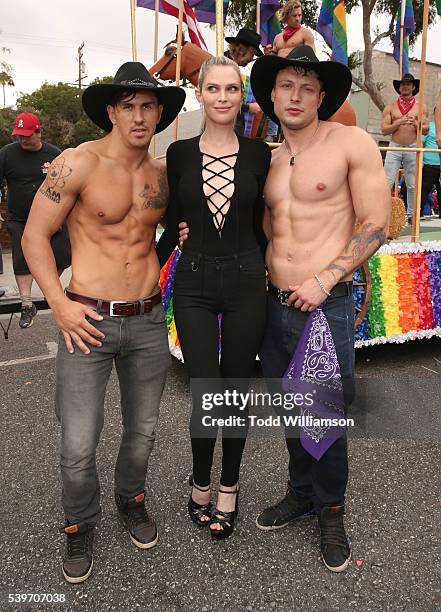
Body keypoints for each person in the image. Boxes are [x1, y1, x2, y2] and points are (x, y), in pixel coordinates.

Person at [22, 62, 185, 583]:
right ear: (112, 112)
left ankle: (130, 499)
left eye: (148, 106)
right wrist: (59, 304)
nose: (139, 116)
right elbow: (32, 237)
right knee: (77, 441)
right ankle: (79, 524)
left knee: (144, 432)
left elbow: (163, 237)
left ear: (160, 113)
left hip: (147, 318)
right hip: (85, 319)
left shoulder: (162, 175)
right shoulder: (76, 164)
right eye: (128, 106)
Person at [248, 46, 390, 572]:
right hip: (273, 302)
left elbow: (376, 223)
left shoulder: (349, 142)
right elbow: (264, 224)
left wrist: (326, 276)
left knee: (324, 417)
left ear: (322, 96)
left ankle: (331, 510)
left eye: (308, 87)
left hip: (323, 302)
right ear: (273, 93)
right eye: (287, 85)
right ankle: (301, 492)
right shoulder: (269, 156)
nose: (297, 96)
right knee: (290, 409)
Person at [156, 55, 271, 540]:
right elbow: (167, 216)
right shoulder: (178, 154)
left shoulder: (261, 154)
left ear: (240, 95)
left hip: (247, 280)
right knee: (206, 389)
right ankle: (199, 478)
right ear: (199, 93)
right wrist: (174, 237)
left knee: (236, 390)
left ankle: (229, 485)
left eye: (231, 88)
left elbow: (271, 221)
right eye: (213, 88)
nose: (222, 97)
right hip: (195, 283)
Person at [0, 112, 71, 326]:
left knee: (63, 254)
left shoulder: (54, 154)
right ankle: (26, 303)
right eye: (19, 136)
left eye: (27, 135)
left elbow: (67, 186)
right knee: (22, 255)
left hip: (51, 217)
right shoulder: (6, 154)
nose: (23, 140)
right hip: (19, 217)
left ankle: (51, 291)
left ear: (39, 132)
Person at [381, 73, 428, 222]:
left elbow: (426, 129)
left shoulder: (421, 107)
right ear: (399, 87)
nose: (405, 86)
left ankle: (411, 216)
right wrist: (398, 122)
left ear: (414, 87)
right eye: (403, 84)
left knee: (412, 185)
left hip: (412, 147)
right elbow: (384, 130)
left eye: (408, 84)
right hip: (394, 147)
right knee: (386, 182)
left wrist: (415, 124)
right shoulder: (391, 107)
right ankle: (381, 214)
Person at [225, 28, 275, 140]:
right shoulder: (223, 67)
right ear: (241, 49)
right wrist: (249, 107)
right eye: (252, 53)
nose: (252, 58)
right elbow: (224, 101)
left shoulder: (233, 68)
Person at [420, 109, 441, 217]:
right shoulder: (430, 127)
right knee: (424, 188)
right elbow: (420, 143)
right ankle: (419, 213)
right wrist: (421, 160)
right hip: (429, 164)